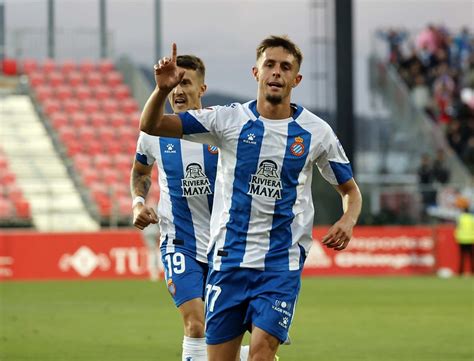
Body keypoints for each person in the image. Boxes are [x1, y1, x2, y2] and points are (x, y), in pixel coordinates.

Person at [139, 36, 363, 361]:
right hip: (228, 262)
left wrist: (348, 219)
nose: (276, 72)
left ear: (296, 79)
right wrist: (161, 90)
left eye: (285, 67)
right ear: (255, 72)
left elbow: (350, 191)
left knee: (261, 353)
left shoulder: (316, 133)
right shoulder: (228, 120)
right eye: (269, 65)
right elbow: (152, 125)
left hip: (279, 265)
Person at [130, 55, 217, 361]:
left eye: (186, 83)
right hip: (179, 243)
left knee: (223, 335)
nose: (178, 90)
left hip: (225, 246)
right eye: (174, 84)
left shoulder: (221, 131)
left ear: (201, 88)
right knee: (195, 325)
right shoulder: (153, 134)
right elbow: (140, 173)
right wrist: (138, 204)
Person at [455, 201, 474, 276]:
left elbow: (457, 228)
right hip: (470, 239)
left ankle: (461, 272)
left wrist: (457, 236)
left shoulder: (460, 218)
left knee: (462, 257)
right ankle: (472, 271)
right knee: (471, 257)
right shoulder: (472, 218)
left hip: (462, 239)